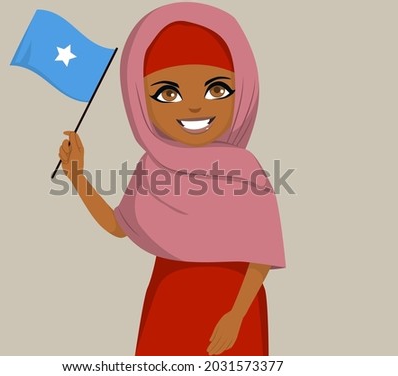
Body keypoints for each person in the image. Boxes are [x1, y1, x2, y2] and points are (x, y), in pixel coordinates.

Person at [58, 2, 285, 356]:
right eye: (168, 93)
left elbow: (261, 255)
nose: (194, 107)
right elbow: (120, 226)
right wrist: (77, 176)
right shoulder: (151, 167)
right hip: (168, 298)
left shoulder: (245, 169)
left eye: (217, 90)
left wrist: (235, 317)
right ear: (139, 102)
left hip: (232, 304)